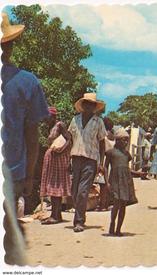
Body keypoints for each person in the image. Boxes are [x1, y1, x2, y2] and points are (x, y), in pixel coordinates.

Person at [1, 12, 50, 265]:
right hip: (12, 173)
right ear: (9, 45)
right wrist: (31, 176)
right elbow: (33, 137)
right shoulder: (27, 82)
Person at [68, 93, 107, 232]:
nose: (88, 106)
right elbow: (70, 140)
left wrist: (101, 162)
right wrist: (68, 159)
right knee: (74, 191)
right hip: (76, 158)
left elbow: (102, 143)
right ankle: (78, 215)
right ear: (83, 105)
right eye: (87, 104)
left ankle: (79, 221)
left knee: (83, 191)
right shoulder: (75, 120)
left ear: (94, 107)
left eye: (91, 104)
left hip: (90, 159)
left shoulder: (98, 122)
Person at [40, 107, 72, 224]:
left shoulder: (60, 125)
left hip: (59, 159)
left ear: (53, 116)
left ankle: (55, 216)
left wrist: (61, 149)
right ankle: (56, 215)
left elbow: (69, 139)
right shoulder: (50, 127)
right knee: (53, 187)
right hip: (52, 158)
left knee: (56, 186)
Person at [104, 128, 138, 236]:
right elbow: (105, 167)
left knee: (123, 205)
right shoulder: (110, 153)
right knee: (116, 204)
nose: (126, 142)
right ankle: (112, 223)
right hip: (115, 180)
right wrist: (106, 182)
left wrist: (138, 174)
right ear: (117, 140)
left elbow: (126, 169)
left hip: (125, 181)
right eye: (124, 140)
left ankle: (119, 229)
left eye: (127, 140)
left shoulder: (127, 155)